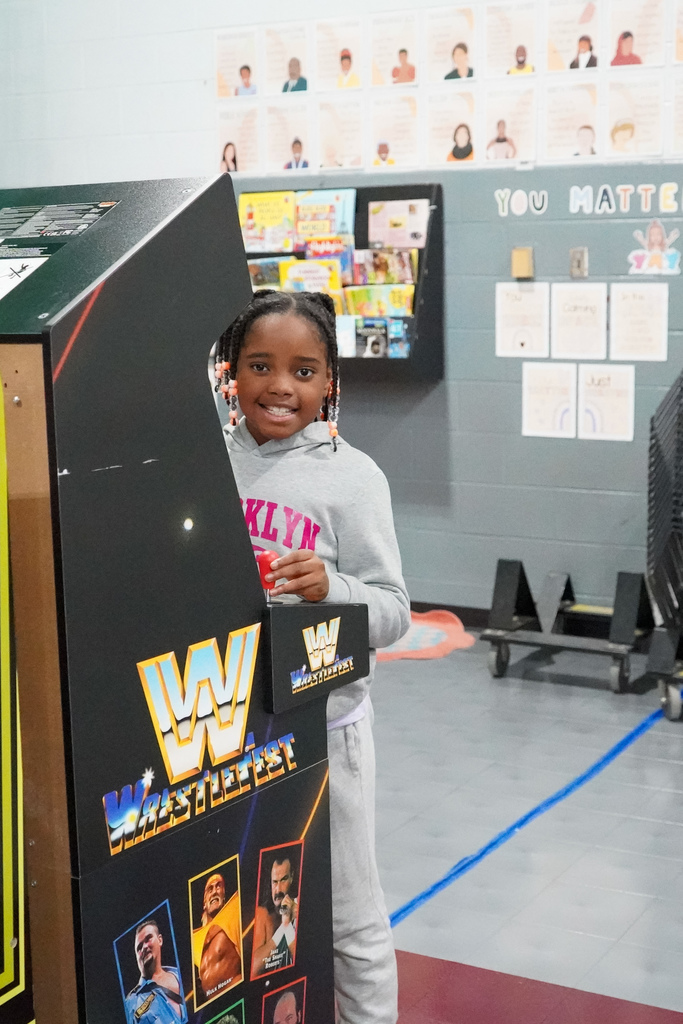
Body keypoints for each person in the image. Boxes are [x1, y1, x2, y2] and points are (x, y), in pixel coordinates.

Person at [215, 291, 410, 1024]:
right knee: (243, 916)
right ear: (230, 371)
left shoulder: (353, 477)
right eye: (260, 365)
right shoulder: (197, 463)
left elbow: (393, 611)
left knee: (347, 917)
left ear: (329, 381)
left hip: (326, 733)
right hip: (227, 733)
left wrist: (335, 587)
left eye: (303, 370)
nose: (280, 386)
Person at [124, 919, 187, 1023]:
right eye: (139, 948)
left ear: (160, 940)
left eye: (148, 939)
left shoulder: (180, 975)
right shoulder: (131, 1003)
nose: (144, 947)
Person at [192, 872, 242, 1000]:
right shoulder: (194, 938)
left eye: (218, 886)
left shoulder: (233, 911)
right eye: (210, 889)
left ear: (224, 895)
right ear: (204, 902)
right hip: (212, 1007)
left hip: (235, 994)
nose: (214, 891)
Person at [252, 853, 299, 976]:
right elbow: (254, 969)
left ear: (292, 877)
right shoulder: (263, 915)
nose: (278, 889)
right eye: (274, 882)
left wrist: (288, 925)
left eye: (283, 880)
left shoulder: (300, 908)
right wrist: (283, 927)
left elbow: (304, 963)